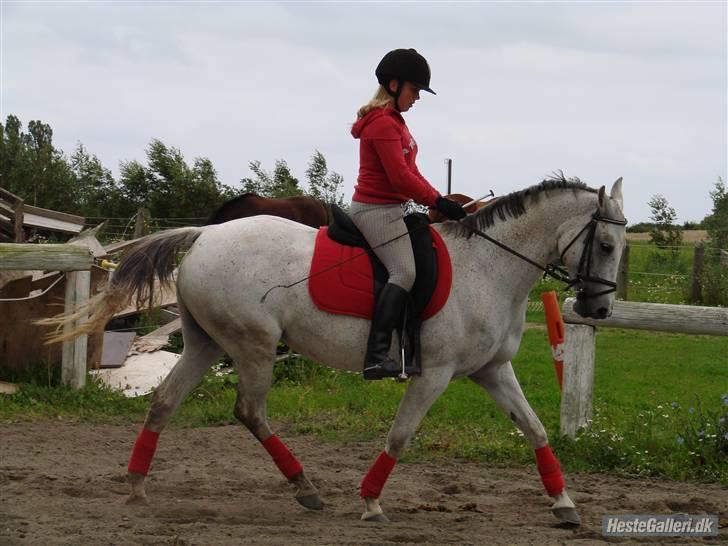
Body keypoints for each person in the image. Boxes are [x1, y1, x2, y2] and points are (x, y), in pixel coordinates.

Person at [350, 48, 467, 380]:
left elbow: (411, 174)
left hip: (394, 208)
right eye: (414, 90)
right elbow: (398, 178)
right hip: (375, 211)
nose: (417, 97)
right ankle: (376, 356)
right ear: (393, 84)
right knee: (403, 273)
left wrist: (438, 200)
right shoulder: (382, 124)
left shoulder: (397, 122)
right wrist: (438, 202)